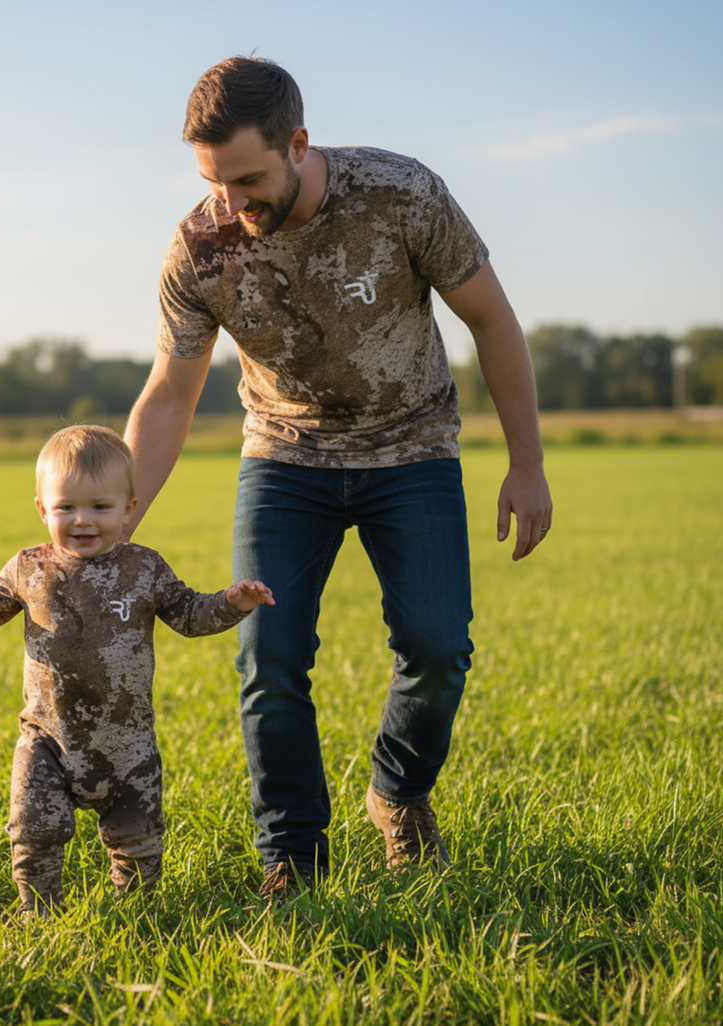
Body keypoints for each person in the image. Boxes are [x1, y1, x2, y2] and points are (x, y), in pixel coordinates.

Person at [123, 57, 553, 902]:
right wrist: (116, 518)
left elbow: (490, 317)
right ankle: (293, 858)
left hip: (413, 447)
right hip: (284, 460)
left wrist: (527, 463)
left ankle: (397, 794)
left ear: (298, 142)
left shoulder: (400, 194)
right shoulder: (200, 247)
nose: (232, 204)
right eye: (214, 182)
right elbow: (169, 395)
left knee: (438, 649)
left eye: (249, 178)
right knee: (268, 655)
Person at [0, 425, 274, 917]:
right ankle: (39, 914)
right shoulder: (29, 568)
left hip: (127, 743)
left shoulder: (145, 569)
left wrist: (233, 602)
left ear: (129, 508)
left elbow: (190, 614)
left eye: (100, 507)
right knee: (33, 830)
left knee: (138, 842)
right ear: (42, 509)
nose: (82, 520)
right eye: (66, 507)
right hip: (48, 738)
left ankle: (135, 915)